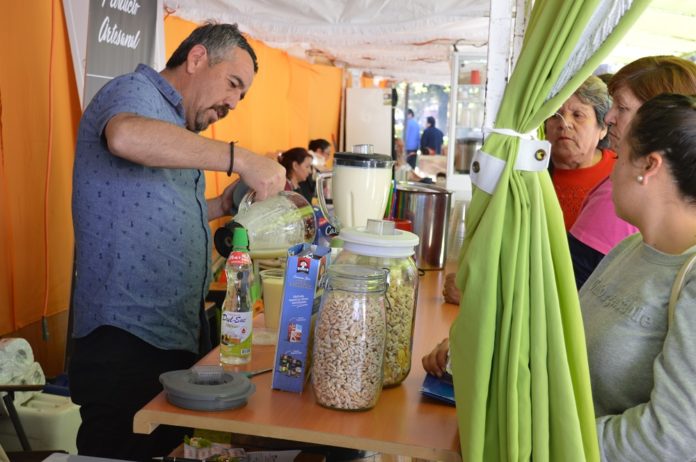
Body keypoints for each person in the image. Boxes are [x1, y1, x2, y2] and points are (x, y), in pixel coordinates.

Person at [427, 94, 696, 461]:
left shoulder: (689, 279)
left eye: (620, 153)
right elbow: (561, 349)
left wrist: (545, 439)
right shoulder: (630, 250)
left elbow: (668, 438)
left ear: (648, 166)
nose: (611, 165)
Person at [68, 23, 285, 461]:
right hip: (125, 337)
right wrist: (238, 157)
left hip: (170, 335)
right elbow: (125, 136)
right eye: (233, 84)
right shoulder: (134, 91)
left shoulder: (176, 129)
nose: (233, 103)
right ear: (197, 58)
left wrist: (221, 202)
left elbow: (156, 208)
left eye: (242, 96)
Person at [569, 56, 696, 288]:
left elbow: (570, 281)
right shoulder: (631, 247)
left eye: (622, 107)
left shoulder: (620, 194)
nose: (608, 118)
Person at [546, 75, 613, 230]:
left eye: (578, 115)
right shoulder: (531, 172)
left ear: (603, 128)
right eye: (555, 115)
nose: (564, 123)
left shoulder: (620, 173)